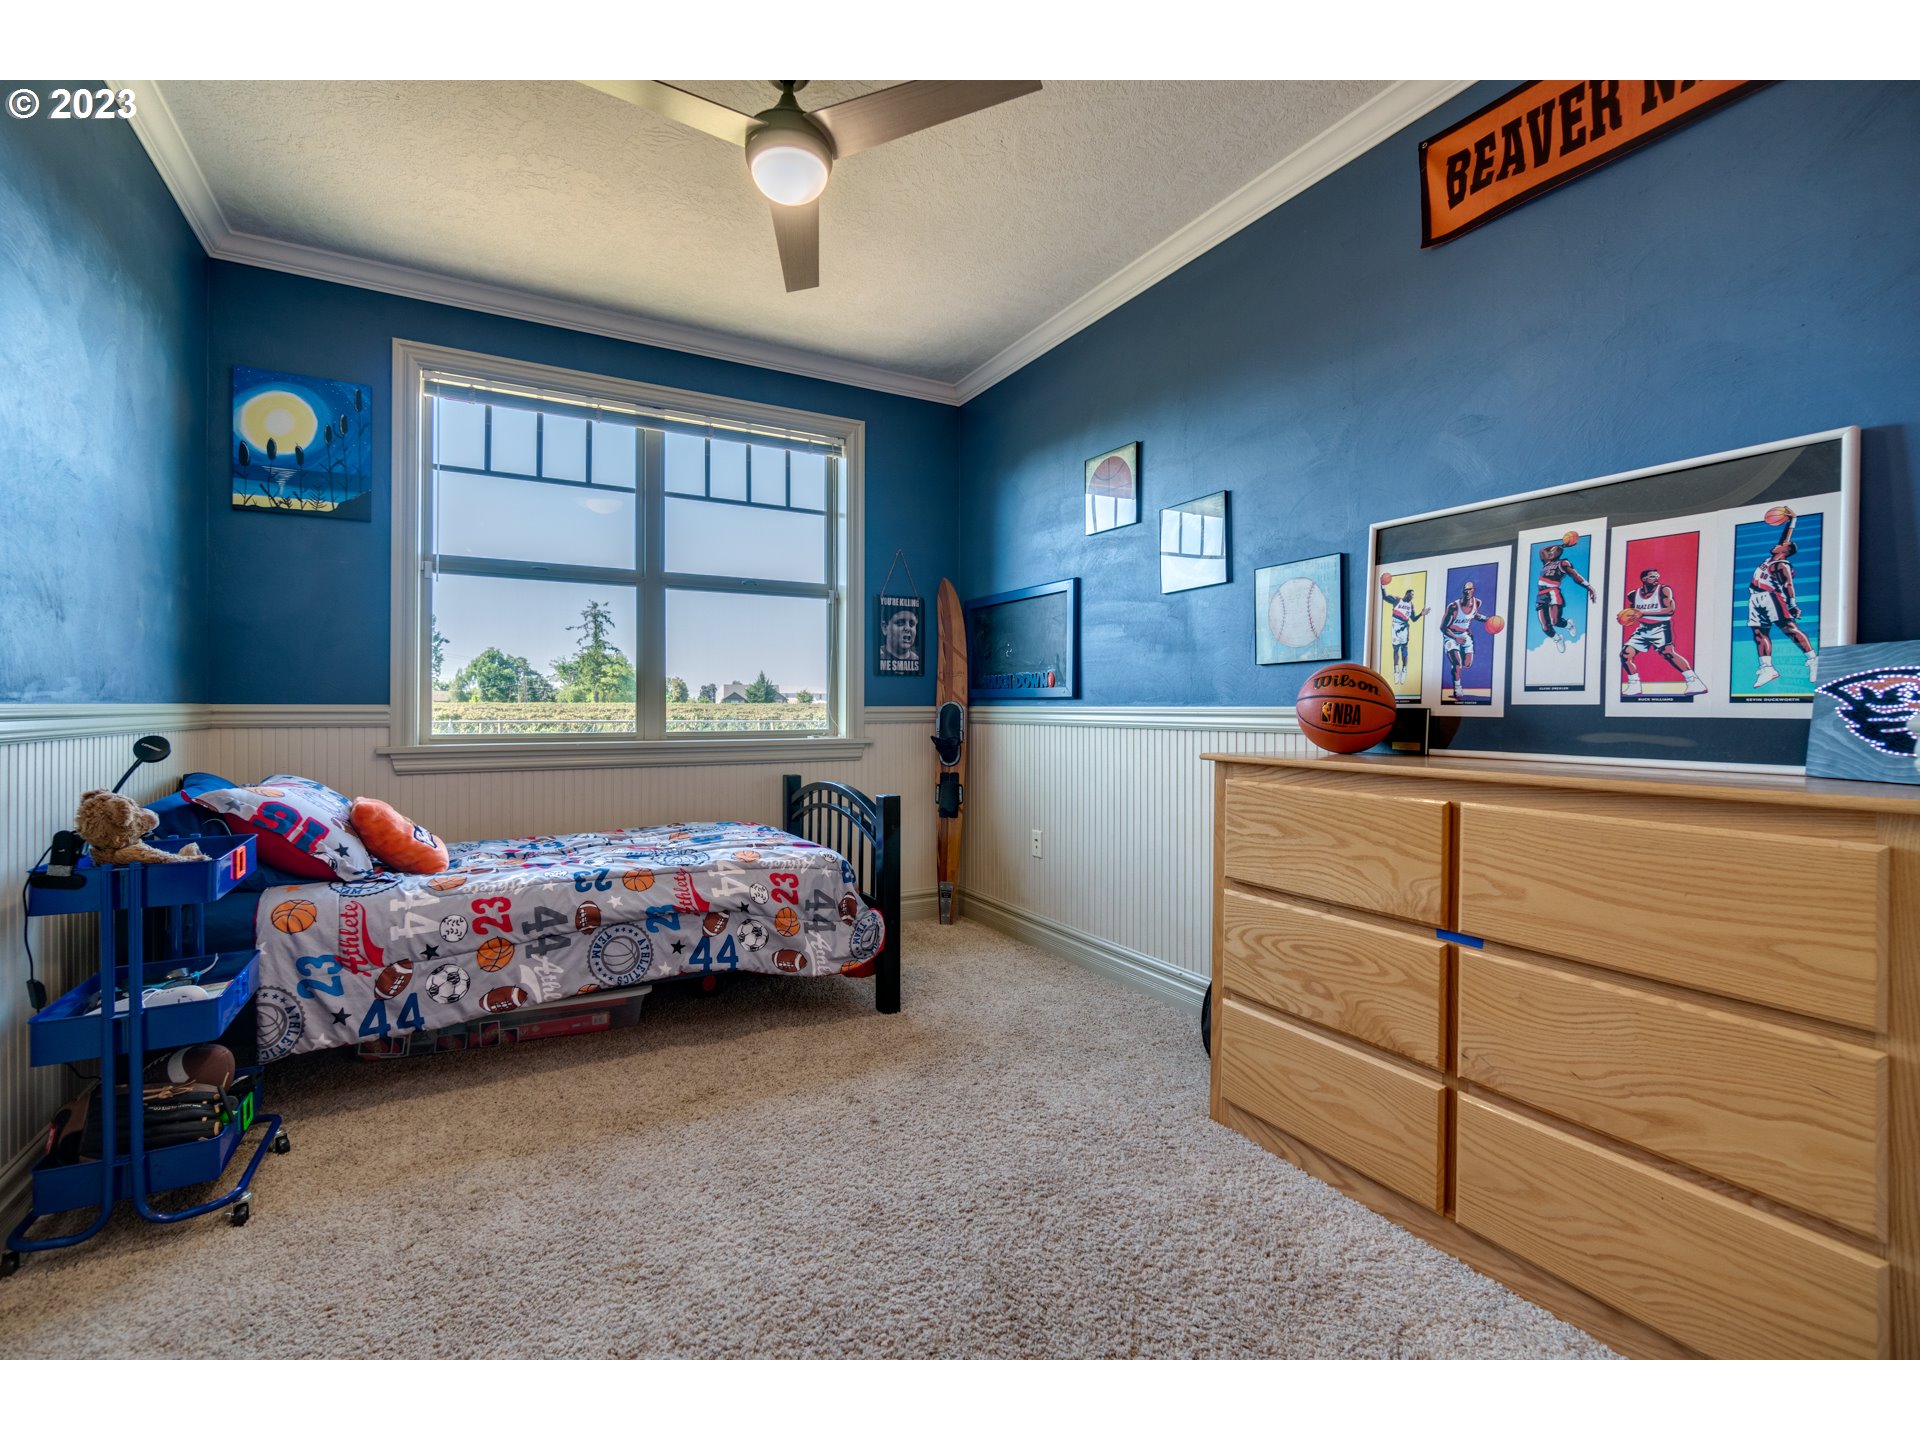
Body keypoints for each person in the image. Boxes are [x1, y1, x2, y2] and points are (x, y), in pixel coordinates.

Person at [1748, 510, 1817, 687]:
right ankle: (1767, 668)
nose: (1778, 545)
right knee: (1759, 633)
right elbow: (1786, 535)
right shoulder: (1773, 557)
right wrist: (1793, 519)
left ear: (1786, 550)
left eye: (1783, 545)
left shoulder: (1781, 564)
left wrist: (1792, 605)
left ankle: (1813, 660)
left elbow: (1788, 586)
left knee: (1789, 629)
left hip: (1772, 598)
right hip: (1756, 598)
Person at [1621, 567, 1707, 696]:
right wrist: (1626, 617)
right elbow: (1633, 612)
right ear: (1644, 579)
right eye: (1652, 576)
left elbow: (1670, 610)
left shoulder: (1664, 590)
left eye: (1657, 576)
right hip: (1643, 628)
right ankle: (1634, 686)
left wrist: (1642, 613)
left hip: (1661, 627)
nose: (1656, 578)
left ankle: (1695, 683)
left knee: (1668, 653)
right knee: (1625, 655)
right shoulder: (1633, 594)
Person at [1534, 542, 1593, 653]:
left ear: (1558, 553)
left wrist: (1588, 587)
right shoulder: (1545, 562)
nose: (1550, 552)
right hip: (1541, 595)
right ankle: (1558, 638)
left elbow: (1576, 576)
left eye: (1554, 550)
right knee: (1545, 627)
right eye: (1550, 550)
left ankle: (1569, 625)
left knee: (1555, 621)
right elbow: (1542, 550)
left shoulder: (1562, 563)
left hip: (1553, 592)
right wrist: (1562, 544)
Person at [1439, 580, 1491, 701]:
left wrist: (1487, 619)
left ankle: (1456, 668)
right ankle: (1457, 687)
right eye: (1466, 589)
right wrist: (1456, 638)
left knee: (1467, 664)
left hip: (1465, 635)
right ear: (1463, 591)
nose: (1468, 591)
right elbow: (1443, 627)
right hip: (1451, 636)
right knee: (1457, 663)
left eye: (1470, 589)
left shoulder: (1477, 602)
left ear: (1474, 590)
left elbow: (1475, 615)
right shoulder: (1453, 607)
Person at [1387, 588, 1428, 686]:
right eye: (1411, 594)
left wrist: (1421, 614)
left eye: (1413, 595)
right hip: (1395, 627)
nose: (1412, 596)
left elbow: (1413, 619)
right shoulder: (1397, 600)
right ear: (1406, 594)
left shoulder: (1411, 605)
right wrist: (1382, 586)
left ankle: (1404, 670)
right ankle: (1396, 670)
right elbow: (1384, 597)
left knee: (1404, 649)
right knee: (1395, 649)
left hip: (1404, 628)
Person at [880, 605, 920, 671]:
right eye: (900, 623)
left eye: (912, 624)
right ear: (885, 628)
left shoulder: (918, 660)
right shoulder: (875, 657)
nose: (908, 628)